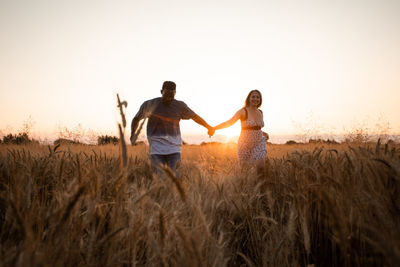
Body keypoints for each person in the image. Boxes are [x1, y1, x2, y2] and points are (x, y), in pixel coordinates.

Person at [130, 81, 214, 177]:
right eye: (166, 95)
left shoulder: (179, 106)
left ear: (175, 93)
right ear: (161, 91)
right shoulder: (150, 104)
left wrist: (208, 127)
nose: (169, 98)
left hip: (174, 149)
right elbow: (136, 119)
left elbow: (194, 116)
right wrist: (133, 134)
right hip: (156, 150)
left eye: (172, 95)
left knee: (175, 180)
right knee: (158, 180)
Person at [209, 90, 268, 175]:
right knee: (244, 171)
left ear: (260, 99)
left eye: (258, 97)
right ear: (249, 98)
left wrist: (263, 133)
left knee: (261, 167)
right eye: (253, 97)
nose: (255, 99)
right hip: (245, 144)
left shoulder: (260, 112)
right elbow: (230, 122)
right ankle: (248, 187)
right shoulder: (243, 111)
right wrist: (214, 128)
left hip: (259, 142)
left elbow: (256, 128)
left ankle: (260, 187)